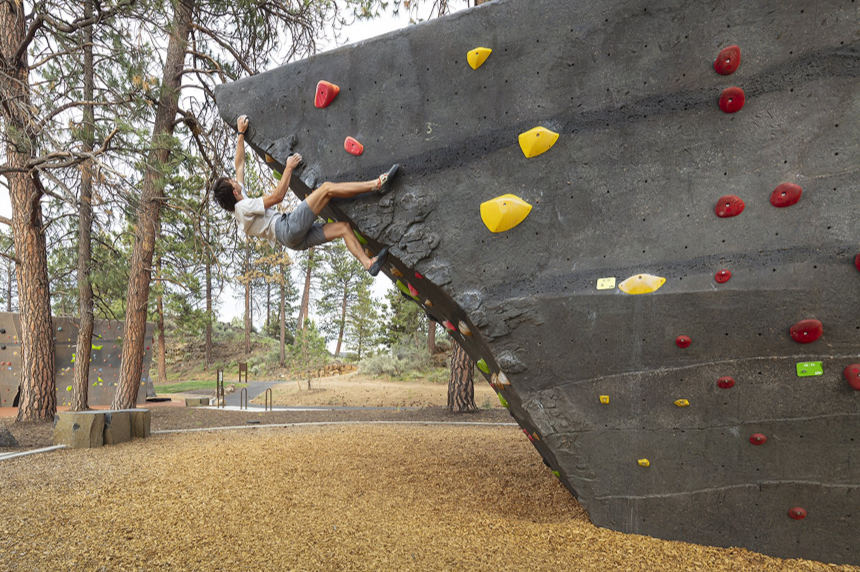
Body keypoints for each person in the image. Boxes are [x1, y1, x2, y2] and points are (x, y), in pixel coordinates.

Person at [210, 115, 397, 275]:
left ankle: (368, 263)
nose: (235, 179)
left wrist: (241, 134)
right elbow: (277, 197)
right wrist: (288, 168)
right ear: (235, 192)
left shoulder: (240, 206)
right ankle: (376, 184)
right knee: (326, 189)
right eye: (233, 181)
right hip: (286, 227)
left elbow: (239, 164)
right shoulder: (243, 207)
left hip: (291, 240)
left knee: (344, 228)